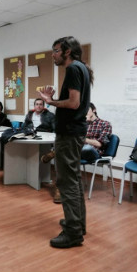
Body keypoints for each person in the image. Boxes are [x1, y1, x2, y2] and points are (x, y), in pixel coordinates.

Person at [38, 36, 93, 248]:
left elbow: (73, 103)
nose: (53, 54)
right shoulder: (82, 68)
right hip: (75, 132)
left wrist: (50, 102)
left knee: (67, 182)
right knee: (75, 179)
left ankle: (73, 233)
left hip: (69, 134)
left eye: (55, 51)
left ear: (67, 51)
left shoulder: (73, 69)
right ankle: (78, 224)